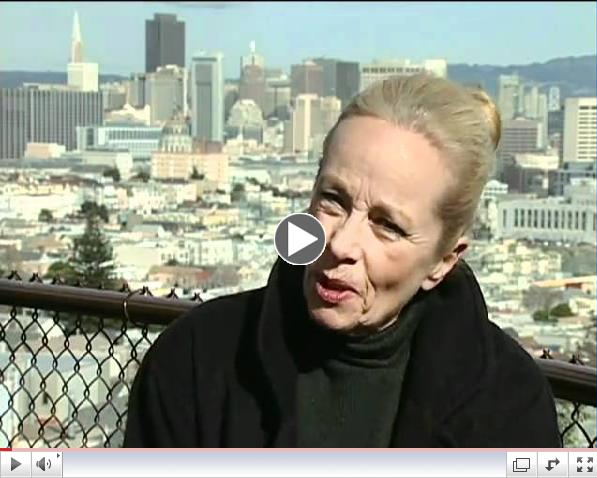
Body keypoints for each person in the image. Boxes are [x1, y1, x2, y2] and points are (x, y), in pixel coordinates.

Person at [124, 74, 561, 447]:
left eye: (387, 225)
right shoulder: (199, 358)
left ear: (444, 260)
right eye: (332, 199)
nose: (341, 243)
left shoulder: (509, 403)